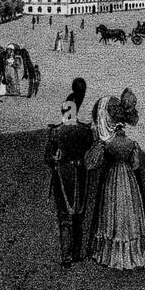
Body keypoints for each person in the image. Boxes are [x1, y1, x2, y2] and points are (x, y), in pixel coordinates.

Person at [88, 90, 145, 270]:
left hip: (112, 177)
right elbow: (135, 164)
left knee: (110, 211)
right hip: (127, 178)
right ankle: (130, 252)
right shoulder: (132, 144)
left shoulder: (107, 143)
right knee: (130, 212)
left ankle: (110, 253)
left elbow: (94, 162)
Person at [45, 90, 93, 266]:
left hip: (63, 175)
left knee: (64, 218)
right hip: (80, 174)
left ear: (64, 112)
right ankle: (77, 254)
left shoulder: (56, 132)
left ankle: (66, 257)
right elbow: (91, 147)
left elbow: (47, 158)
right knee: (79, 217)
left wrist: (55, 160)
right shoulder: (85, 131)